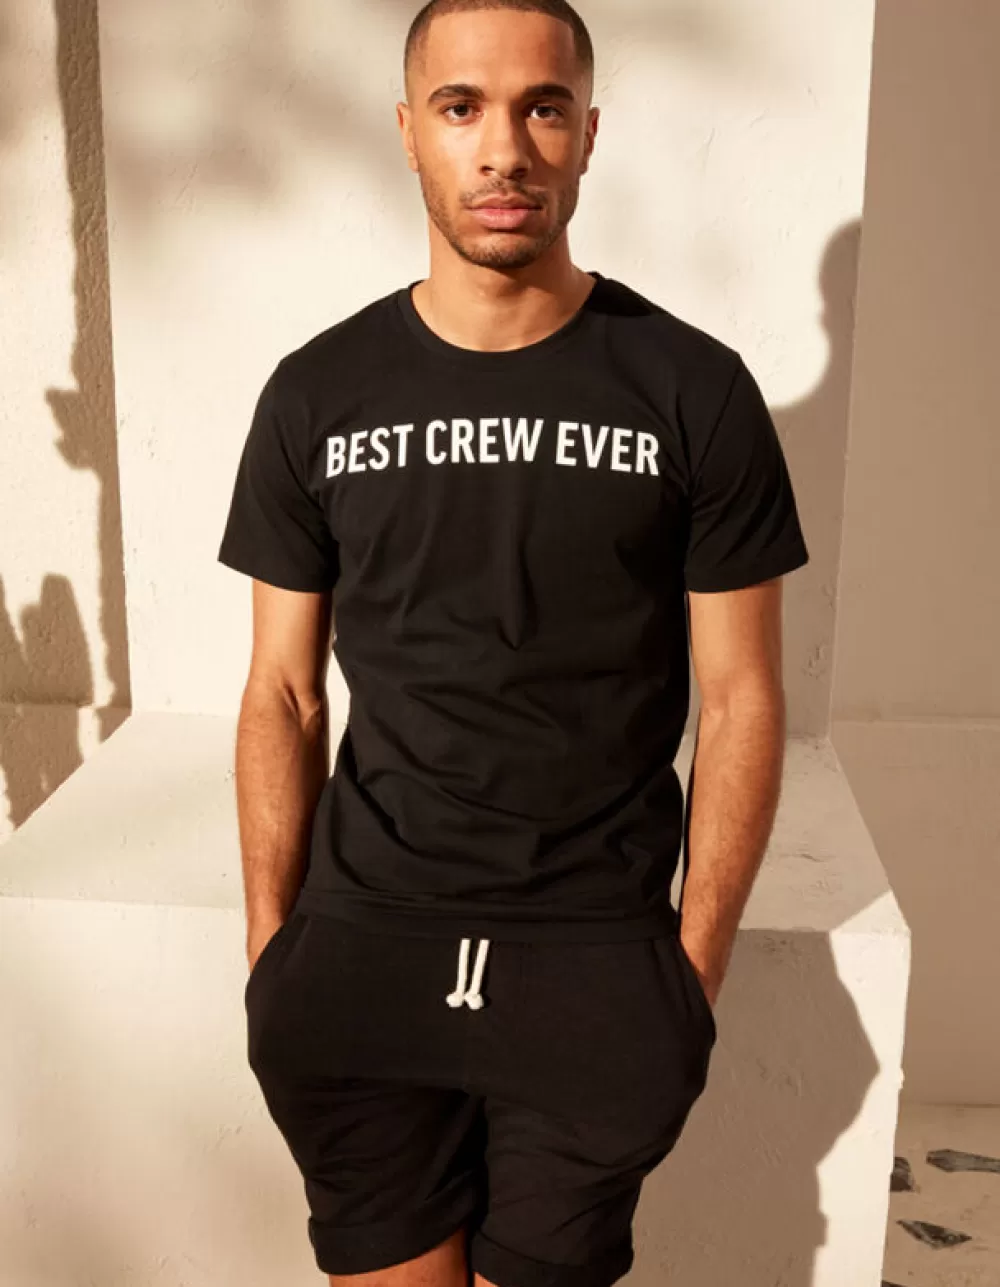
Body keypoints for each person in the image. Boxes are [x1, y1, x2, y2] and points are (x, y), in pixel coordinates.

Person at [217, 1, 810, 1283]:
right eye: (461, 107)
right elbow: (282, 693)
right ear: (408, 132)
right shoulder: (316, 394)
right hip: (361, 955)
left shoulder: (693, 391)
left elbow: (742, 699)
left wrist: (689, 978)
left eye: (543, 107)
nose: (504, 149)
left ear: (587, 134)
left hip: (595, 960)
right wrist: (273, 957)